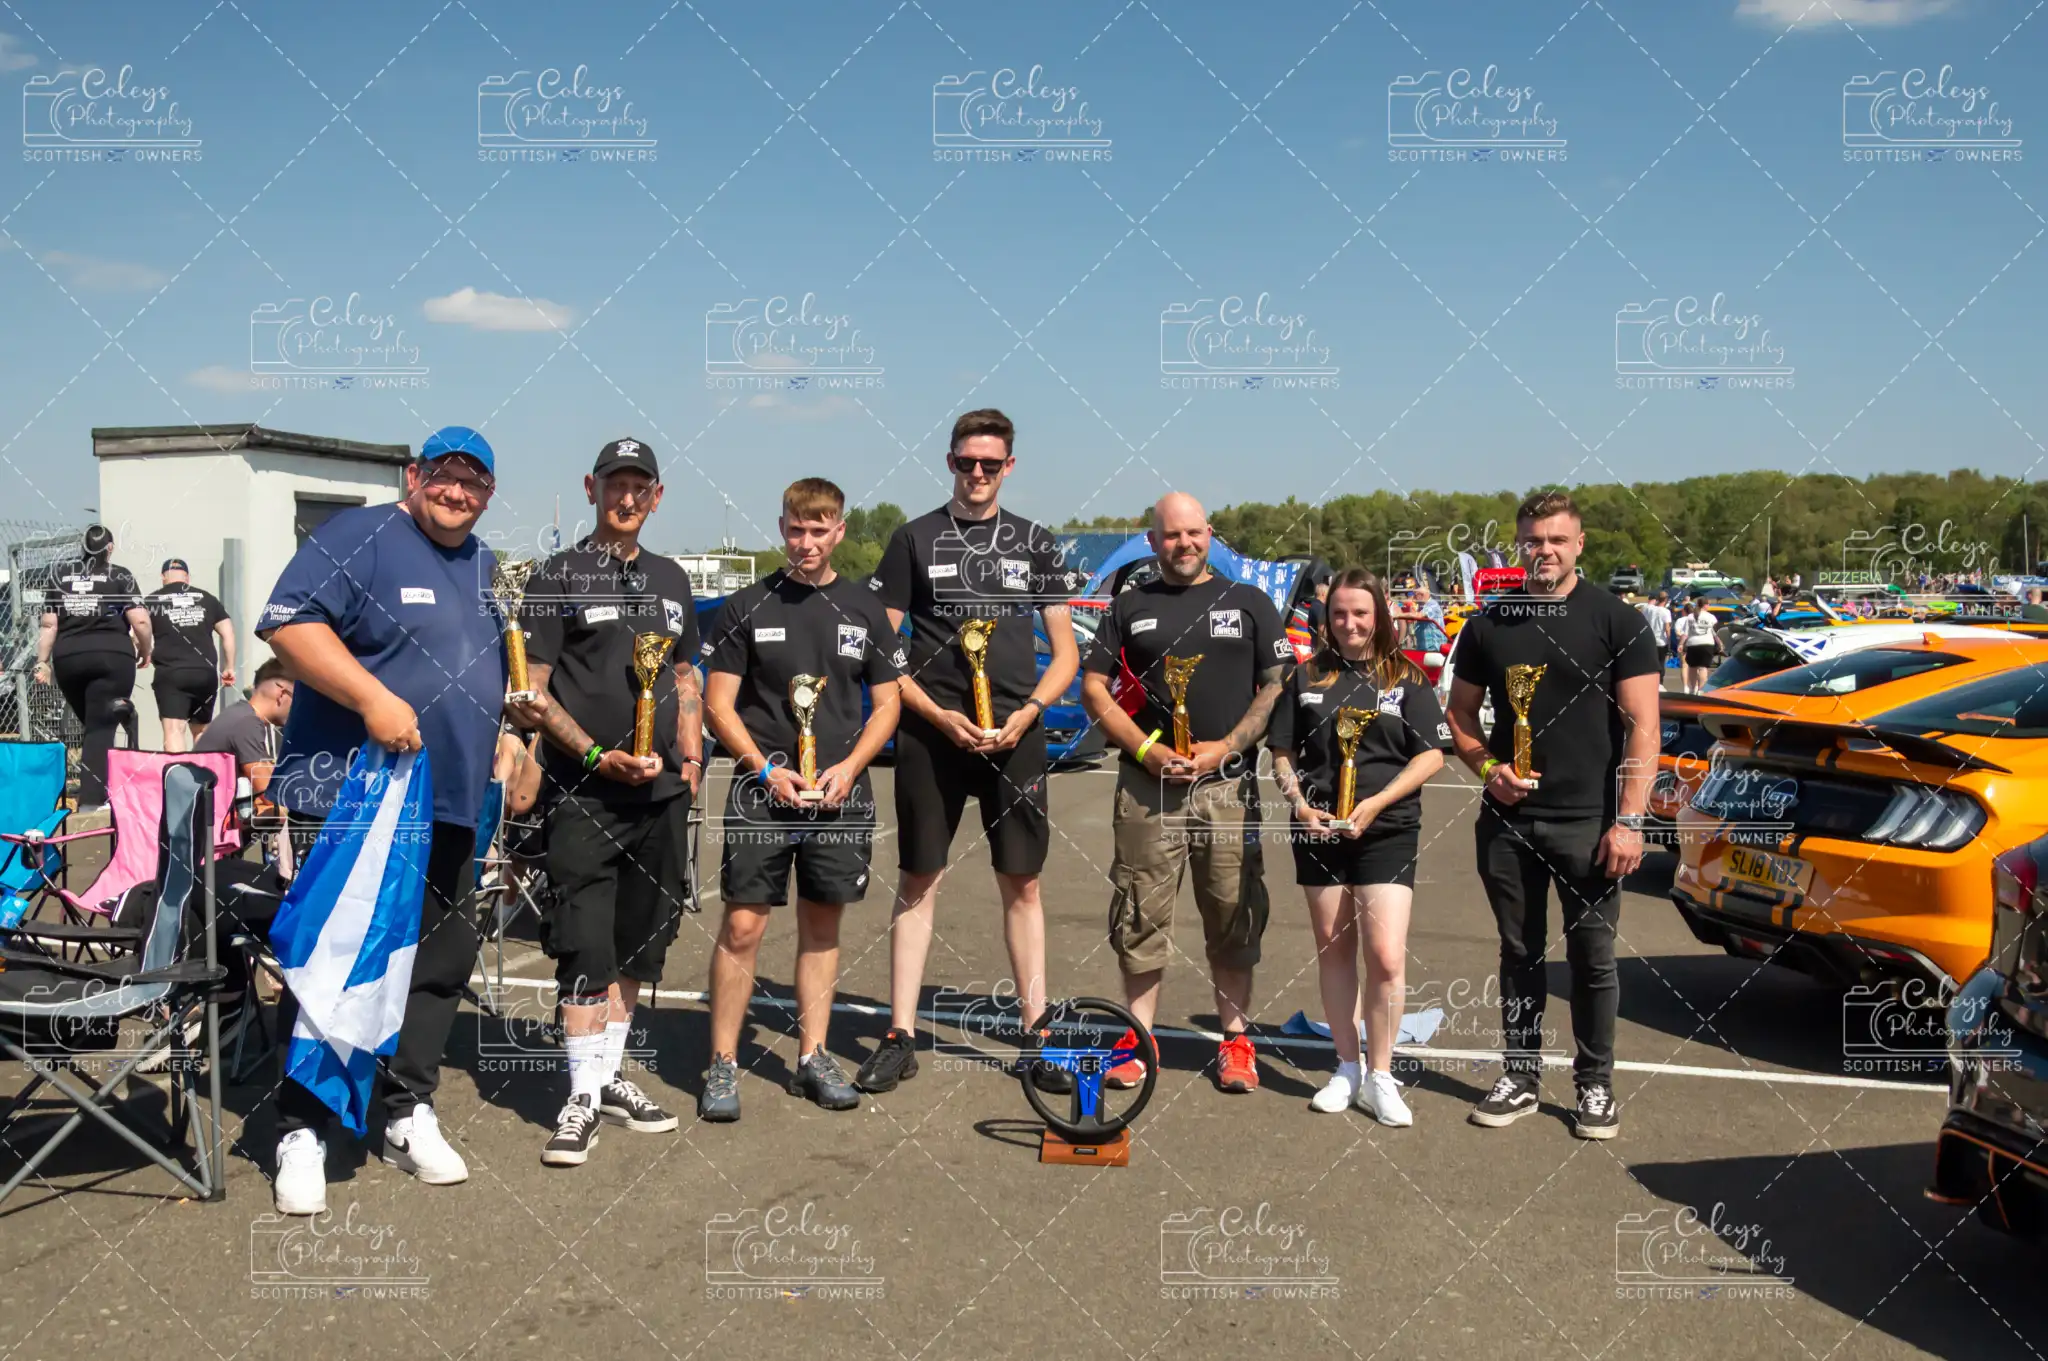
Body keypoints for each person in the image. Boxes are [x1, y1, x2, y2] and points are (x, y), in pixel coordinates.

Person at [262, 426, 508, 1216]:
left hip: (453, 799)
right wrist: (371, 697)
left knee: (437, 960)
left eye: (474, 482)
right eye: (444, 475)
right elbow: (289, 624)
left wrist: (511, 739)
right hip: (358, 798)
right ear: (414, 474)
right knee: (337, 956)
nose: (457, 492)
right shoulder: (360, 535)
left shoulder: (487, 565)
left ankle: (405, 1108)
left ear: (488, 493)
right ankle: (302, 1128)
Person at [855, 409, 1081, 1097]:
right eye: (965, 462)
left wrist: (1031, 712)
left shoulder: (1035, 543)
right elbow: (883, 650)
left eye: (989, 463)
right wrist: (936, 714)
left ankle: (1036, 1032)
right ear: (949, 462)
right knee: (919, 879)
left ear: (1009, 466)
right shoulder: (913, 539)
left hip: (1016, 735)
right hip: (933, 734)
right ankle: (900, 1035)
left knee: (1023, 882)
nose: (977, 473)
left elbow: (1066, 653)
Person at [506, 438, 703, 1167]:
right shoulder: (557, 575)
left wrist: (692, 753)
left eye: (639, 487)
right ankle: (581, 1097)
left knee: (638, 944)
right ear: (591, 488)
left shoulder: (672, 579)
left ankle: (610, 1076)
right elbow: (532, 692)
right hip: (585, 791)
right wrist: (594, 753)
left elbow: (684, 672)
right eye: (615, 484)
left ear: (657, 496)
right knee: (584, 943)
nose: (626, 498)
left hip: (661, 796)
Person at [1445, 490, 1659, 1140]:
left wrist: (1630, 821)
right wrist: (1489, 768)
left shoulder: (1618, 620)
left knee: (1592, 959)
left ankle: (1595, 1084)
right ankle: (1520, 1076)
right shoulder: (1490, 624)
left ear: (1579, 544)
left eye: (1557, 540)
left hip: (1590, 823)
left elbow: (1644, 726)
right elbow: (1458, 714)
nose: (1545, 551)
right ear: (1519, 545)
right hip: (1509, 823)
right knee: (1519, 953)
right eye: (1534, 540)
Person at [699, 477, 903, 1122]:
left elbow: (888, 704)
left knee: (821, 926)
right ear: (781, 528)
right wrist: (764, 770)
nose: (806, 542)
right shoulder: (746, 605)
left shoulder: (865, 610)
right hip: (763, 791)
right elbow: (718, 705)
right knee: (743, 925)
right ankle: (723, 1062)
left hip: (839, 792)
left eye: (819, 530)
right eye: (796, 529)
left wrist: (851, 767)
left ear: (839, 531)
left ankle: (813, 1055)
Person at [1080, 492, 1288, 1094]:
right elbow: (1093, 688)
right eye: (1171, 535)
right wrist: (1147, 750)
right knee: (1140, 913)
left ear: (1210, 534)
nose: (1184, 544)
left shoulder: (1250, 602)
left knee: (1233, 912)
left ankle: (1236, 1042)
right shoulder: (1129, 605)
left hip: (1226, 787)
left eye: (1194, 533)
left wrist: (1228, 746)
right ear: (1153, 541)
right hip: (1148, 789)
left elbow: (1275, 685)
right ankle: (1136, 1040)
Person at [1269, 569, 1448, 1125]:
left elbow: (1431, 755)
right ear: (1327, 618)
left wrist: (1378, 802)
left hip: (1387, 829)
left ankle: (1381, 1076)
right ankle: (1346, 1067)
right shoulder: (1305, 677)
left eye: (1361, 613)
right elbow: (1281, 753)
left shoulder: (1406, 678)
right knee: (1334, 948)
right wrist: (1300, 804)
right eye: (1340, 613)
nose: (1350, 623)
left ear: (1379, 616)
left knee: (1386, 956)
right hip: (1319, 831)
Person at [33, 523, 149, 810]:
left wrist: (42, 661)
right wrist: (146, 650)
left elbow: (49, 625)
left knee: (94, 726)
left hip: (69, 659)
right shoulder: (120, 575)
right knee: (100, 728)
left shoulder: (60, 575)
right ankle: (93, 803)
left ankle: (103, 787)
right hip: (111, 657)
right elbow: (140, 621)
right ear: (110, 548)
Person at [142, 557, 235, 752]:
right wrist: (229, 667)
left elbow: (138, 630)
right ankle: (203, 771)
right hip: (205, 673)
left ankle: (179, 772)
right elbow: (228, 633)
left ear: (163, 577)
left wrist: (144, 652)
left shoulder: (152, 601)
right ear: (187, 577)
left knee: (174, 730)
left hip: (172, 673)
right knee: (202, 730)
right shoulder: (207, 599)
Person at [194, 657, 294, 798]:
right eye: (296, 698)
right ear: (281, 694)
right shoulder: (247, 723)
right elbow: (270, 794)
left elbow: (269, 777)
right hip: (206, 808)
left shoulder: (240, 714)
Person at [1674, 597, 1718, 694]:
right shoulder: (1711, 617)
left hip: (1693, 644)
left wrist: (1681, 644)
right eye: (1708, 604)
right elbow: (1715, 633)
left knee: (1692, 667)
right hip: (1707, 644)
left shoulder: (1690, 616)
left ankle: (1692, 688)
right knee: (1703, 668)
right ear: (1705, 605)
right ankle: (1700, 690)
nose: (1709, 606)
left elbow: (1685, 633)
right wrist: (1719, 643)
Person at [1636, 592, 1672, 675]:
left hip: (1649, 640)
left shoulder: (1648, 609)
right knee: (1661, 662)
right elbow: (1667, 628)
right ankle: (1660, 680)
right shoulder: (1666, 611)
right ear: (1666, 600)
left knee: (1649, 663)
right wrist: (1669, 641)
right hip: (1661, 641)